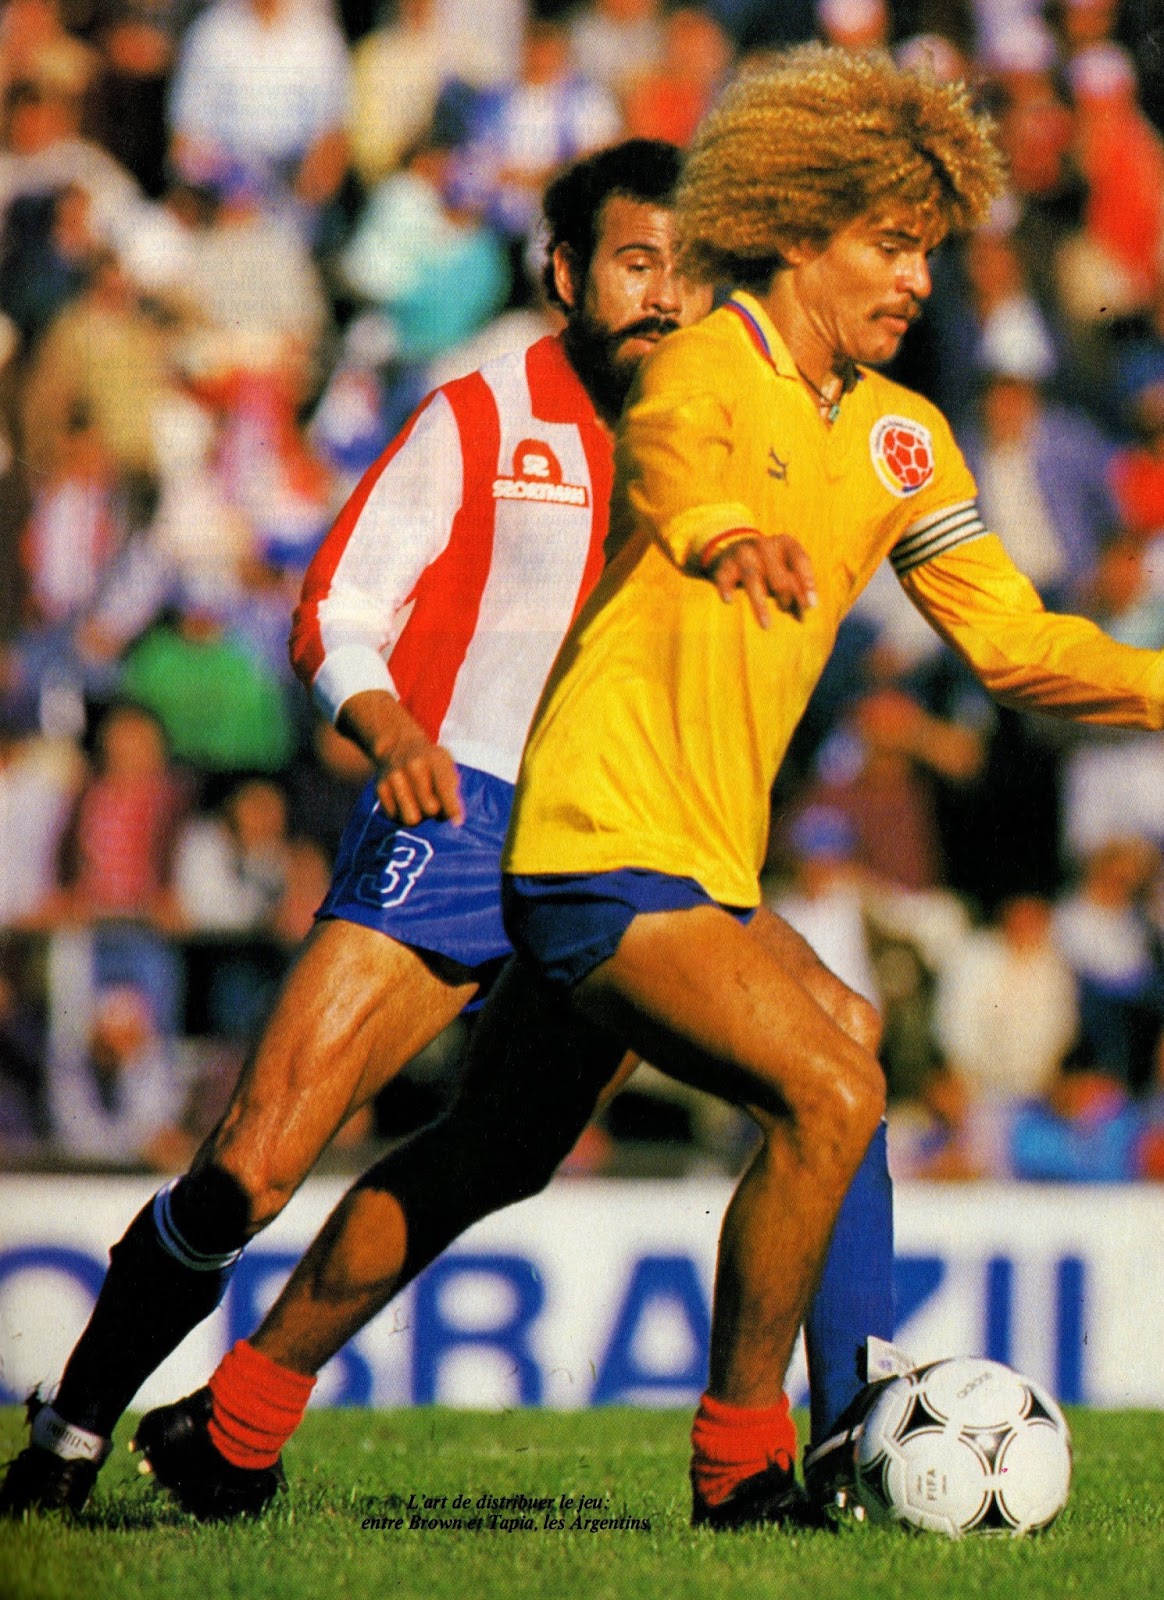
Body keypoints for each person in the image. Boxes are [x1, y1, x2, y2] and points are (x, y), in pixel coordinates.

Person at [115, 44, 1164, 1533]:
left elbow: (1016, 646)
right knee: (835, 1079)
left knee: (496, 1152)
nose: (918, 280)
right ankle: (755, 1467)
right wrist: (725, 533)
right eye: (890, 245)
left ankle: (235, 1422)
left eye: (930, 252)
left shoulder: (903, 438)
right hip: (595, 838)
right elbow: (673, 464)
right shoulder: (702, 366)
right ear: (799, 232)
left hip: (696, 857)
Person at [0, 137, 716, 1517]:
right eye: (638, 264)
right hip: (462, 814)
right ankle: (71, 1434)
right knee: (252, 1165)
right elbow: (336, 606)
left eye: (690, 270)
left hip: (628, 840)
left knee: (503, 1153)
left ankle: (239, 1421)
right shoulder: (480, 415)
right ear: (569, 276)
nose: (667, 296)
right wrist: (394, 735)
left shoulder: (717, 442)